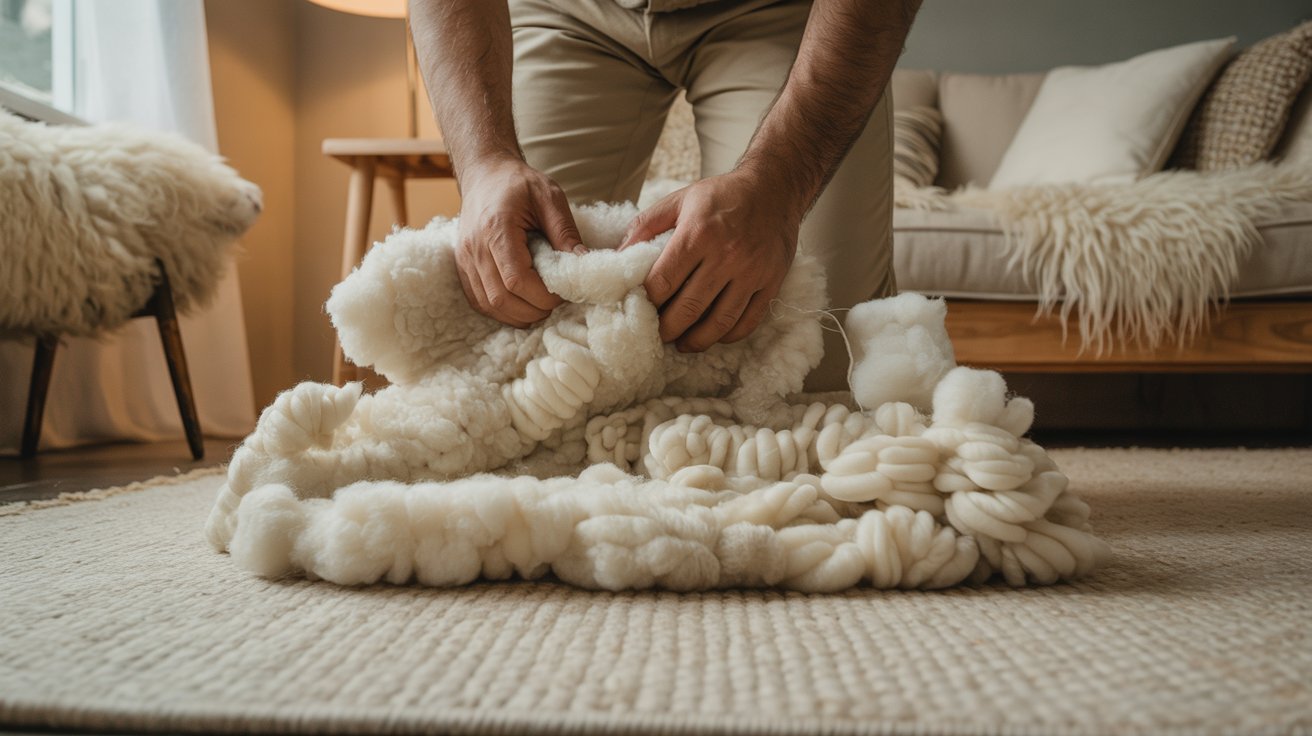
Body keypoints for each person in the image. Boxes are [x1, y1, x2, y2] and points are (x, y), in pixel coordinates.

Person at [409, 0, 921, 390]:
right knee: (503, 350)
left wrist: (777, 191)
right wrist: (484, 163)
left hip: (787, 10)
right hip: (564, 8)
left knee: (819, 366)